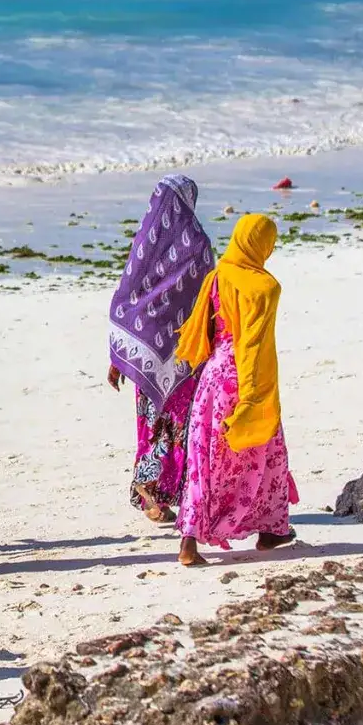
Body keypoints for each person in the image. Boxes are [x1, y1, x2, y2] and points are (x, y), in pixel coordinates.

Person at [174, 214, 299, 566]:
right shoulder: (265, 287)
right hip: (245, 376)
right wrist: (254, 393)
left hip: (213, 377)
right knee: (266, 450)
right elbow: (255, 344)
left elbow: (208, 330)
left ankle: (188, 543)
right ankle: (271, 529)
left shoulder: (217, 276)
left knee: (205, 460)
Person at [107, 175, 214, 523]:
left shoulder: (144, 245)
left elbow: (124, 302)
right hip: (184, 352)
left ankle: (152, 488)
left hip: (146, 351)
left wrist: (118, 356)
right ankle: (155, 489)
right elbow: (208, 301)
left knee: (151, 423)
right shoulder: (198, 246)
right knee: (175, 425)